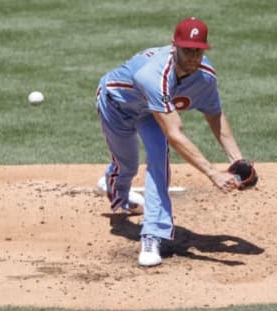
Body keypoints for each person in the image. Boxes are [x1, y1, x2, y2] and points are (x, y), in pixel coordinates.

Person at [95, 17, 245, 267]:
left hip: (151, 113)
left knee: (159, 160)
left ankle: (152, 235)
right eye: (187, 50)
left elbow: (215, 115)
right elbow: (176, 134)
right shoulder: (153, 75)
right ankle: (116, 189)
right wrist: (212, 173)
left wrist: (239, 161)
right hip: (116, 105)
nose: (193, 57)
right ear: (174, 46)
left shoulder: (205, 76)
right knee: (127, 166)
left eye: (198, 51)